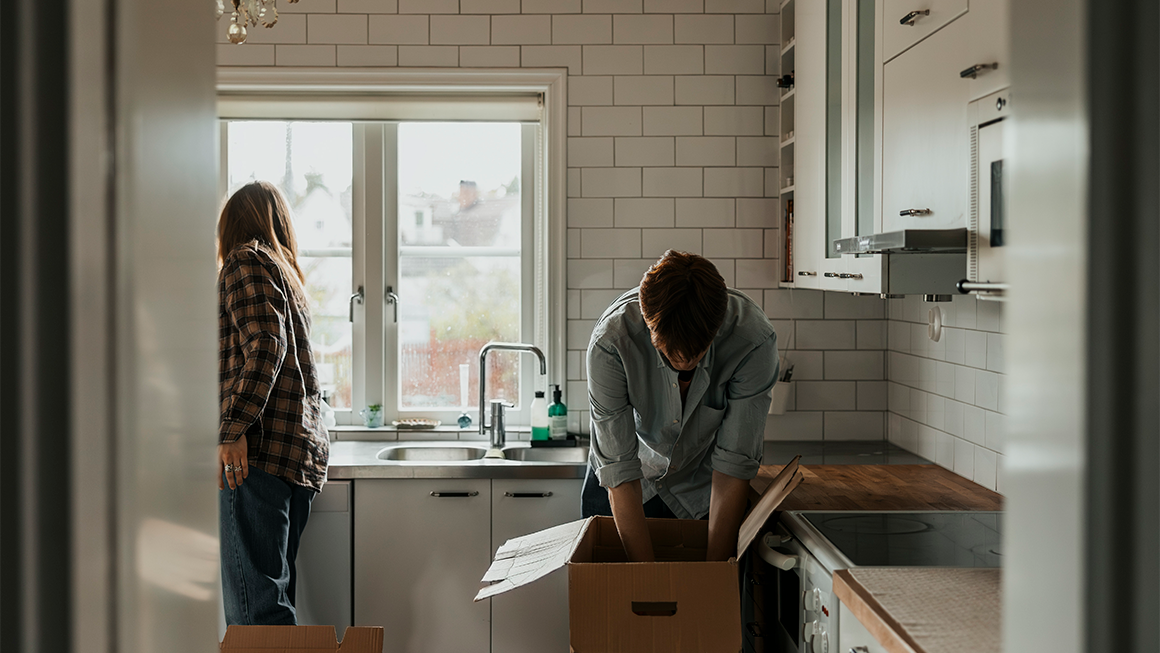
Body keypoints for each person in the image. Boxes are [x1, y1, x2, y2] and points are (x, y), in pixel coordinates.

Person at [583, 250, 778, 562]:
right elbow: (620, 468)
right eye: (670, 354)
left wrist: (714, 575)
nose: (685, 363)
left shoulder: (752, 340)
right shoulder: (612, 342)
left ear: (717, 328)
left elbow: (734, 463)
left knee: (705, 599)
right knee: (615, 600)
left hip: (702, 490)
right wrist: (646, 580)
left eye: (697, 354)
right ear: (649, 325)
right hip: (625, 485)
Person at [217, 181, 329, 625]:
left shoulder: (244, 261)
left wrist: (232, 427)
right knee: (272, 605)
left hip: (257, 455)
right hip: (293, 457)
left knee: (256, 614)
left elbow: (265, 345)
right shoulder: (283, 273)